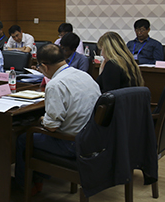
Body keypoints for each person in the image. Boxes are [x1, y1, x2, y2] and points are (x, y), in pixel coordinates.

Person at [15, 44, 101, 191]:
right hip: (91, 140)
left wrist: (41, 120)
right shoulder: (85, 75)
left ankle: (24, 186)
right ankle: (39, 178)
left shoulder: (55, 84)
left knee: (24, 138)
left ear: (44, 66)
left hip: (71, 144)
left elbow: (51, 127)